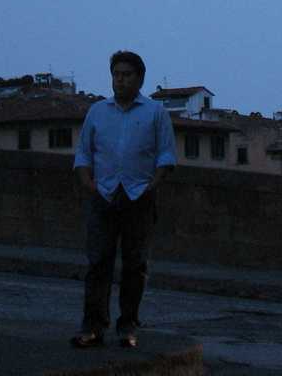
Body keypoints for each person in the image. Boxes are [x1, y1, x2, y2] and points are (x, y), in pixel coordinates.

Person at [70, 50, 177, 351]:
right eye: (117, 74)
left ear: (139, 78)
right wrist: (87, 183)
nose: (121, 80)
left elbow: (166, 155)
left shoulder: (155, 113)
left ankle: (127, 325)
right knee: (98, 263)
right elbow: (83, 153)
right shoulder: (97, 111)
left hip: (138, 196)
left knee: (135, 265)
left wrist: (151, 186)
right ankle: (93, 326)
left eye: (127, 74)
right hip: (102, 195)